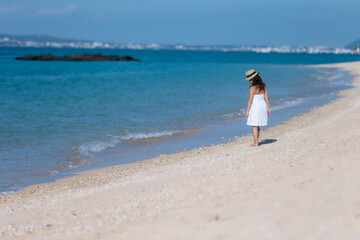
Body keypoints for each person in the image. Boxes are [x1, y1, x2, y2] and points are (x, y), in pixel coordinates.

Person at [245, 69, 270, 147]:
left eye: (250, 80)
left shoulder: (252, 88)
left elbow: (250, 100)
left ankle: (256, 143)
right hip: (263, 106)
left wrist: (247, 110)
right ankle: (256, 142)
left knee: (254, 126)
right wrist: (268, 108)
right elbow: (266, 97)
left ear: (253, 79)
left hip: (256, 106)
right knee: (258, 124)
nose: (249, 81)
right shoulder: (263, 86)